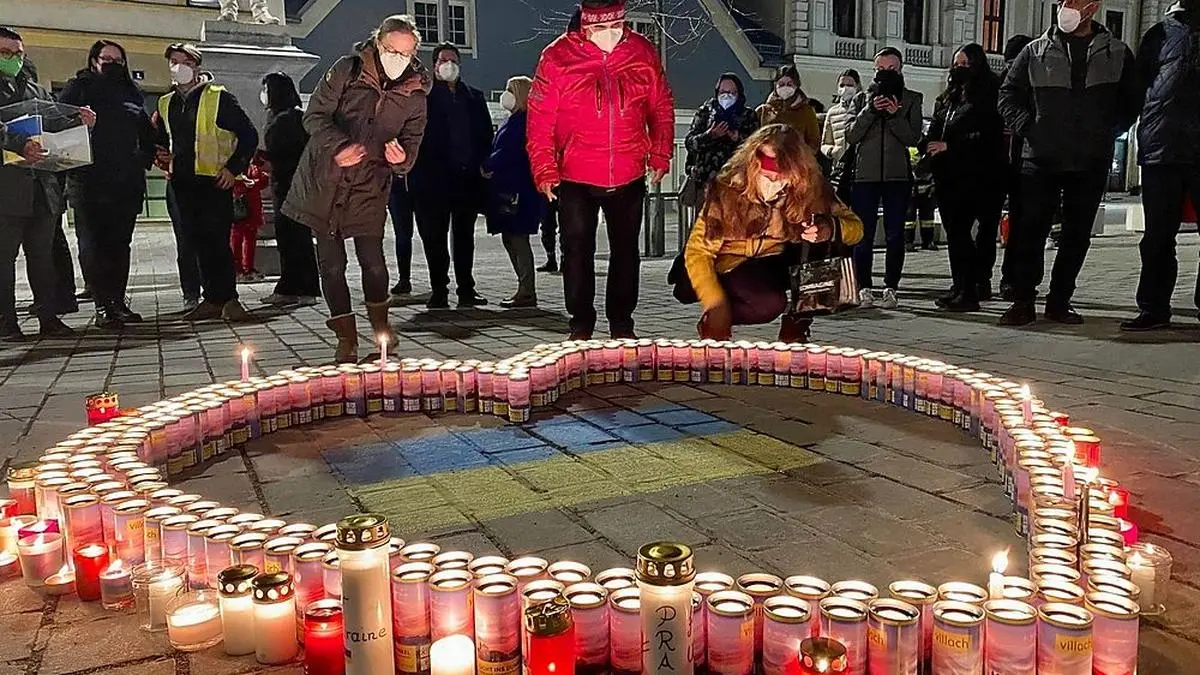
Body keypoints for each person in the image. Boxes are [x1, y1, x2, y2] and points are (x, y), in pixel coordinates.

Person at [282, 15, 430, 363]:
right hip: (326, 180)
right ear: (378, 43)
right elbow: (314, 116)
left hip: (369, 185)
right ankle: (346, 337)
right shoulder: (347, 71)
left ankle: (381, 327)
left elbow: (412, 144)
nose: (398, 58)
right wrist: (339, 146)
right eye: (391, 50)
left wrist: (402, 159)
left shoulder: (416, 93)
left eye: (406, 53)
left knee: (373, 262)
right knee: (331, 265)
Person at [528, 0, 674, 340]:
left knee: (626, 251)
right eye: (599, 29)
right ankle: (580, 322)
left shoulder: (641, 52)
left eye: (616, 27)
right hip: (575, 173)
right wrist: (544, 168)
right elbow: (540, 119)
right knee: (577, 250)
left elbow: (661, 106)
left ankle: (621, 323)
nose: (609, 35)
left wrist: (660, 153)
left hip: (628, 169)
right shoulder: (557, 57)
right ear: (585, 26)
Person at [997, 0, 1140, 326]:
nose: (1065, 7)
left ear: (1092, 7)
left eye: (1073, 1)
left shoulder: (1117, 53)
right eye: (1062, 1)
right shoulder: (1035, 51)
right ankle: (1023, 300)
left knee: (1077, 235)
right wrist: (1029, 127)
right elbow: (1007, 95)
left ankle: (1060, 301)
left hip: (1090, 160)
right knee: (1030, 231)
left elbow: (1132, 100)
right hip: (1040, 159)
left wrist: (1106, 132)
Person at [677, 124, 863, 342]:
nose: (773, 187)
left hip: (774, 260)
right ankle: (715, 320)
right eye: (766, 176)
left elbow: (856, 229)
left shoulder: (810, 188)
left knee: (827, 239)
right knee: (768, 305)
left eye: (782, 179)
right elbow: (698, 252)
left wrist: (828, 228)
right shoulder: (728, 190)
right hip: (730, 264)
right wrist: (714, 303)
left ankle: (797, 324)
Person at [155, 43, 258, 321]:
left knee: (216, 242)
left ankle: (229, 299)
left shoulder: (218, 97)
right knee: (194, 243)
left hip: (213, 182)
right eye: (174, 61)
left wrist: (233, 169)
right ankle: (212, 298)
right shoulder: (166, 103)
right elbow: (162, 139)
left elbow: (249, 135)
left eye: (186, 61)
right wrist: (161, 155)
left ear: (196, 66)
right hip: (181, 183)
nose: (179, 67)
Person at [58, 40, 156, 328]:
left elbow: (146, 132)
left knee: (119, 245)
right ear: (94, 61)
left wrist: (145, 156)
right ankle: (102, 305)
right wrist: (79, 122)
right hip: (89, 181)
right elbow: (57, 123)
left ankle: (117, 301)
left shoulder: (131, 92)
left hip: (125, 182)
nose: (113, 64)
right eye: (107, 59)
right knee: (93, 245)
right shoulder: (79, 88)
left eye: (118, 60)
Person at [0, 28, 90, 340]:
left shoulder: (34, 89)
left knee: (42, 257)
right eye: (5, 53)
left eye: (18, 53)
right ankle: (6, 322)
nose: (14, 59)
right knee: (3, 259)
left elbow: (53, 122)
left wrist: (77, 121)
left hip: (42, 187)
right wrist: (17, 143)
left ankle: (48, 316)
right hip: (6, 189)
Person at [1121, 0, 1200, 331]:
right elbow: (1136, 88)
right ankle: (1153, 308)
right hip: (1161, 146)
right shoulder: (1159, 33)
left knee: (1158, 237)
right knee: (1157, 237)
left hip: (1175, 145)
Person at [922, 43, 1007, 312]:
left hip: (975, 175)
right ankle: (959, 285)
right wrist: (928, 142)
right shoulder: (949, 97)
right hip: (946, 175)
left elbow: (989, 137)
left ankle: (971, 288)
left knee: (965, 233)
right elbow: (937, 124)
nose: (959, 69)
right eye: (956, 64)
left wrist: (951, 146)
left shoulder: (988, 95)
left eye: (965, 64)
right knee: (955, 234)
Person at [409, 43, 493, 310]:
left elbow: (485, 136)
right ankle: (439, 289)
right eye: (443, 60)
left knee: (464, 237)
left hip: (466, 180)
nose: (449, 64)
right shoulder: (423, 99)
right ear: (434, 66)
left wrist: (484, 165)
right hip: (432, 182)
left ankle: (466, 288)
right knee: (434, 237)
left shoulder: (474, 97)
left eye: (453, 60)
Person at [846, 47, 924, 310]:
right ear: (874, 70)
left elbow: (913, 138)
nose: (886, 74)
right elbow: (851, 135)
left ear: (900, 70)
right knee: (863, 234)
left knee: (894, 234)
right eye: (881, 69)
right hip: (864, 176)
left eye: (891, 69)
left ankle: (891, 287)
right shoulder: (861, 99)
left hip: (897, 176)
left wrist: (894, 115)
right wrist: (870, 110)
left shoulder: (912, 99)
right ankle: (864, 287)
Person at [259, 71, 320, 306]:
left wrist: (269, 161)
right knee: (288, 237)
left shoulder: (290, 119)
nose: (264, 95)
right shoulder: (280, 117)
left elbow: (293, 154)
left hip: (292, 185)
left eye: (266, 90)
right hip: (284, 184)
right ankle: (291, 286)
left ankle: (303, 288)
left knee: (296, 237)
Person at [483, 76, 544, 308]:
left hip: (518, 189)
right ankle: (524, 287)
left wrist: (487, 165)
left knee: (518, 238)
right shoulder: (514, 120)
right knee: (511, 237)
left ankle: (527, 290)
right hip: (509, 187)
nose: (505, 94)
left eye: (510, 89)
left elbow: (508, 152)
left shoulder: (524, 123)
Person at [683, 73, 759, 205]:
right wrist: (710, 135)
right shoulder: (705, 112)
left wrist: (737, 137)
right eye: (723, 92)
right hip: (706, 183)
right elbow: (690, 143)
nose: (727, 96)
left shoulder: (748, 115)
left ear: (739, 94)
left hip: (737, 185)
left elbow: (757, 146)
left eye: (732, 92)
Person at [997, 34, 1035, 301]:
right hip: (1011, 164)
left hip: (1018, 165)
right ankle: (1011, 280)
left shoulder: (1028, 86)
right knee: (1020, 227)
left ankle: (1011, 280)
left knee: (1020, 226)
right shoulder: (1008, 86)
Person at [820, 68, 862, 203]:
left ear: (858, 86)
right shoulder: (832, 112)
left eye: (850, 85)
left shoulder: (863, 110)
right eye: (842, 85)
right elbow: (825, 143)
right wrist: (832, 151)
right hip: (840, 169)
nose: (845, 88)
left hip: (860, 170)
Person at [756, 65, 820, 151]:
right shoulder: (763, 110)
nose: (785, 87)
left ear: (796, 86)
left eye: (789, 84)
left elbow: (814, 142)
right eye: (781, 84)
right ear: (775, 85)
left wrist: (800, 154)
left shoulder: (806, 111)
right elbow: (753, 139)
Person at [230, 152, 267, 282]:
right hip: (239, 204)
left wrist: (254, 182)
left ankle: (248, 267)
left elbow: (265, 179)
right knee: (236, 237)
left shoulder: (256, 162)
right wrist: (241, 181)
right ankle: (237, 269)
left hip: (252, 204)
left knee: (250, 237)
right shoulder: (233, 161)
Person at [387, 176, 416, 299]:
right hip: (397, 188)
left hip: (418, 185)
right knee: (402, 236)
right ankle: (404, 279)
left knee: (430, 235)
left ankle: (404, 279)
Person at [905, 146, 938, 253]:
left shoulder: (930, 149)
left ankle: (928, 241)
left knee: (928, 218)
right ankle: (908, 242)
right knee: (909, 217)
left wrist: (933, 184)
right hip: (911, 188)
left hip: (927, 187)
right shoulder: (906, 148)